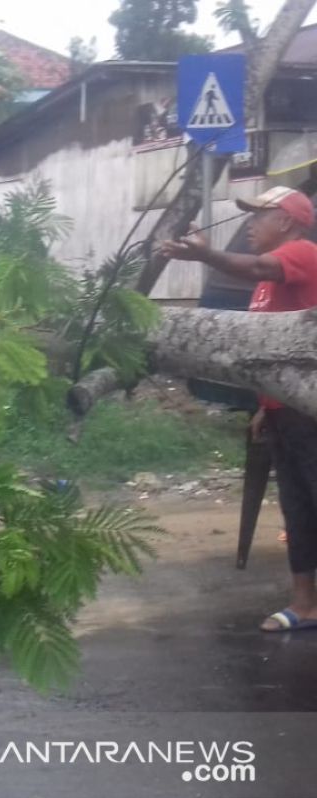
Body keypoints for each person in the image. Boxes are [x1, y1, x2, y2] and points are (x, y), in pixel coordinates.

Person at [162, 186, 317, 632]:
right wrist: (264, 407)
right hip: (285, 411)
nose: (250, 225)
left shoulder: (302, 254)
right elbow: (265, 358)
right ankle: (305, 604)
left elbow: (254, 265)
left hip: (310, 413)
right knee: (297, 508)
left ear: (286, 221)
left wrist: (207, 257)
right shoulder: (268, 285)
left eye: (260, 216)